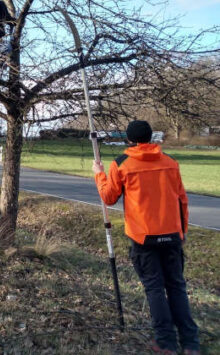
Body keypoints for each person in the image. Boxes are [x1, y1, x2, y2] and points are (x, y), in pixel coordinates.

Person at [92, 120, 199, 355]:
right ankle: (190, 343)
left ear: (128, 139)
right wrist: (183, 232)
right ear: (151, 138)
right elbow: (182, 200)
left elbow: (109, 197)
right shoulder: (170, 162)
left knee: (155, 289)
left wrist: (99, 175)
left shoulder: (121, 164)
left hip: (143, 237)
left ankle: (166, 343)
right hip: (172, 234)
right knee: (177, 287)